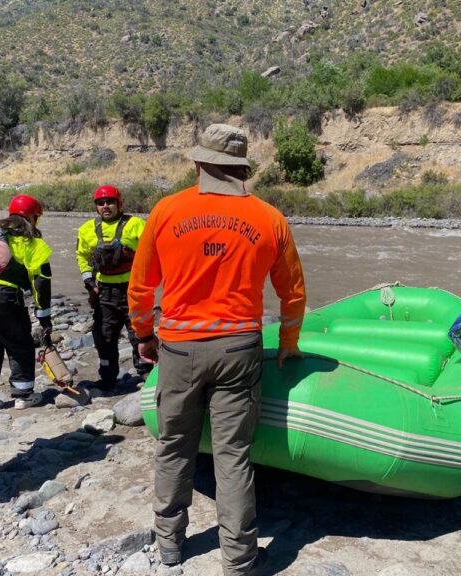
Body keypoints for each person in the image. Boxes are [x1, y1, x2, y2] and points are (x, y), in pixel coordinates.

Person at [128, 124, 306, 576]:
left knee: (174, 446)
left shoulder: (167, 211)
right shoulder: (270, 218)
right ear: (241, 168)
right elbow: (293, 294)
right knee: (233, 455)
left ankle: (169, 545)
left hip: (181, 347)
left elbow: (141, 285)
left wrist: (144, 334)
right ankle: (240, 559)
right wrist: (287, 344)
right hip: (240, 349)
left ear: (200, 163)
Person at [0, 194, 52, 414]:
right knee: (20, 345)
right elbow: (41, 281)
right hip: (4, 298)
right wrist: (43, 315)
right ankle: (23, 395)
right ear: (33, 217)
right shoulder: (32, 242)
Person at [75, 185, 147, 388]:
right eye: (100, 203)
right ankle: (108, 376)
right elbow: (82, 257)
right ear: (96, 207)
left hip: (133, 290)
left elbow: (151, 253)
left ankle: (146, 373)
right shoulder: (87, 229)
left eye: (109, 202)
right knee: (104, 337)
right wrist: (90, 284)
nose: (105, 206)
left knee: (139, 334)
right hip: (104, 292)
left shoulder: (136, 224)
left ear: (119, 204)